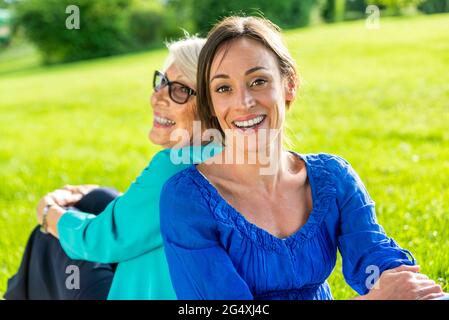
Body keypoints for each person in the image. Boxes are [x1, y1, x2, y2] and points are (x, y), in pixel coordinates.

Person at [159, 16, 446, 300]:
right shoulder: (187, 199)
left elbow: (373, 259)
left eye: (258, 81)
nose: (243, 102)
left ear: (289, 84)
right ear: (210, 103)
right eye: (224, 88)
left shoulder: (332, 178)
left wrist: (406, 288)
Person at [5, 36, 222, 300]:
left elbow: (97, 241)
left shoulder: (175, 168)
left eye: (178, 90)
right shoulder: (226, 153)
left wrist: (48, 213)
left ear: (211, 106)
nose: (157, 97)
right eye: (162, 82)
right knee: (99, 198)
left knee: (52, 239)